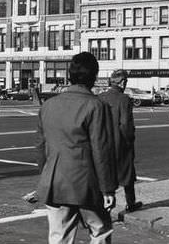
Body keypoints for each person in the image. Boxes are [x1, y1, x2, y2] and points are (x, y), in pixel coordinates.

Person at [35, 52, 117, 243]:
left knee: (59, 236)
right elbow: (101, 150)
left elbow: (40, 146)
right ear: (94, 77)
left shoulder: (48, 105)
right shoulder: (96, 105)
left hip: (54, 182)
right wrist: (107, 189)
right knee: (100, 230)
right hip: (86, 184)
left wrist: (46, 175)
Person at [98, 70, 143, 216]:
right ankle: (131, 203)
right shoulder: (124, 99)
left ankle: (105, 208)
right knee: (127, 174)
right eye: (126, 82)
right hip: (120, 143)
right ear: (122, 82)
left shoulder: (100, 97)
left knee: (106, 174)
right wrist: (130, 139)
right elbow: (126, 125)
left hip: (103, 142)